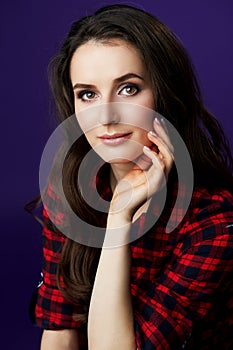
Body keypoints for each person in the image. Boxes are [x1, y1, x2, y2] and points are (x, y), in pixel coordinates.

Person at [28, 4, 233, 349]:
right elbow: (61, 331)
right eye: (88, 94)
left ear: (166, 94)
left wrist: (119, 222)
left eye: (128, 89)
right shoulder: (71, 192)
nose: (106, 116)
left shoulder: (214, 224)